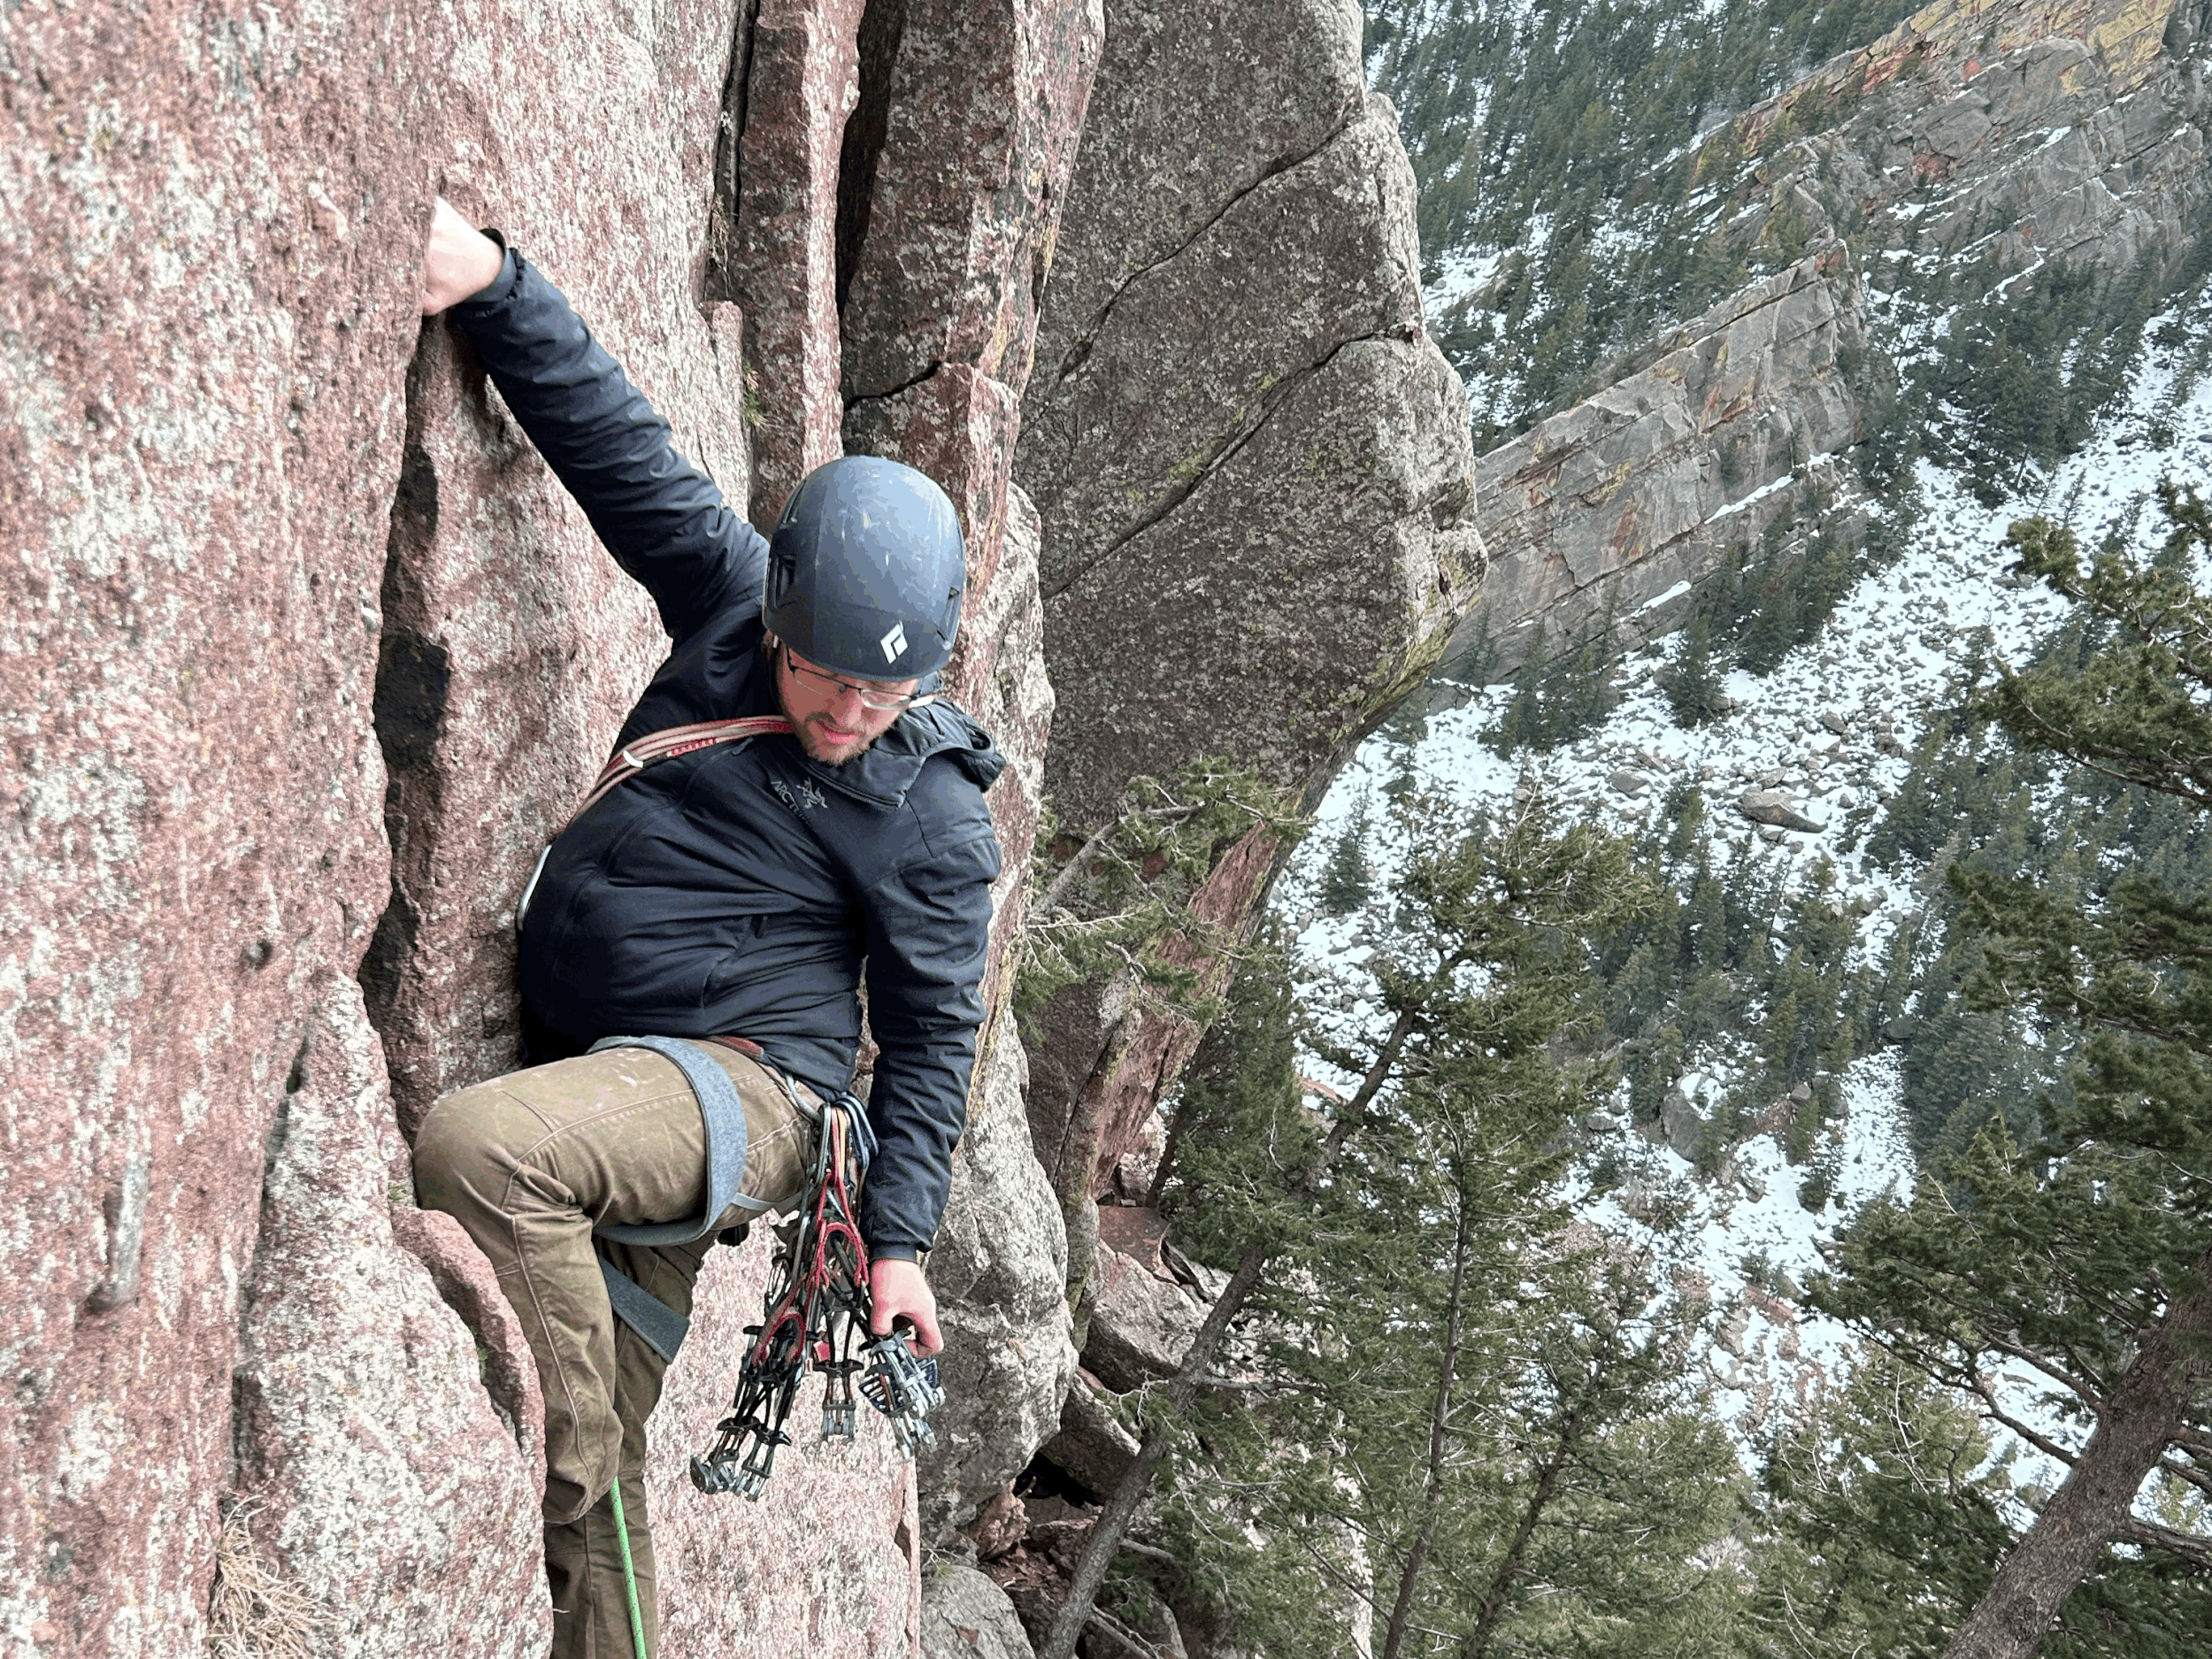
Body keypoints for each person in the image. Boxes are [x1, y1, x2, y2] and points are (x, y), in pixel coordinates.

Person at [408, 199, 1002, 1659]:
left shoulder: (929, 812)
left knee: (483, 1152)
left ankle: (548, 1472)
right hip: (624, 1061)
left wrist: (901, 1242)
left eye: (885, 695)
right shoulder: (733, 606)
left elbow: (931, 1033)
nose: (850, 717)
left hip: (754, 1087)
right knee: (597, 1464)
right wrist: (491, 278)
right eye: (825, 681)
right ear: (783, 610)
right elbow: (620, 449)